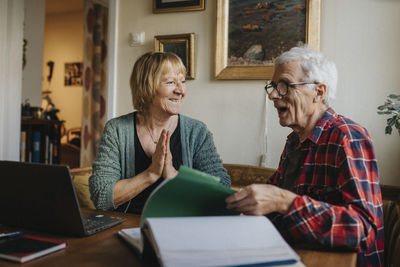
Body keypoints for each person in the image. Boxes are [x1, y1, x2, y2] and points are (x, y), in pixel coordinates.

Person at [225, 46, 383, 267]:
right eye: (273, 86)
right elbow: (275, 208)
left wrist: (285, 202)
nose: (272, 95)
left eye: (284, 86)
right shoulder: (293, 141)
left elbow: (363, 230)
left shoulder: (348, 136)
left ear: (319, 92)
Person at [89, 51, 230, 214]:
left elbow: (222, 189)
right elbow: (101, 196)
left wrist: (172, 176)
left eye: (183, 82)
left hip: (181, 224)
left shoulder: (197, 132)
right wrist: (151, 173)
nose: (181, 90)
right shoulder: (117, 130)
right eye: (171, 82)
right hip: (127, 226)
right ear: (147, 87)